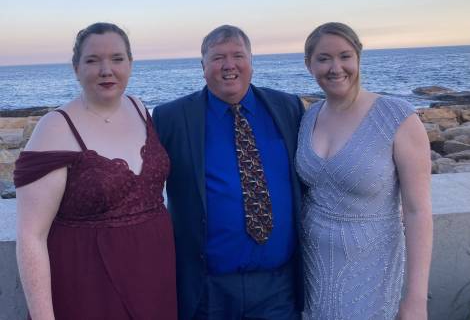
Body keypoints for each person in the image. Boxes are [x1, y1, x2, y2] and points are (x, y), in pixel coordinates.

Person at [14, 23, 177, 320]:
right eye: (92, 60)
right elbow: (31, 236)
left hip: (155, 275)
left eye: (117, 59)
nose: (106, 70)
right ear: (76, 68)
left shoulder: (139, 108)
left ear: (130, 64)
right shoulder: (55, 128)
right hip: (88, 285)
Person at [153, 25, 304, 319]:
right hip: (207, 290)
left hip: (278, 288)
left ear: (251, 61)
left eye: (238, 55)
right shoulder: (171, 118)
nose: (229, 65)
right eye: (218, 57)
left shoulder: (288, 108)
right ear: (203, 66)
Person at [296, 22, 433, 320]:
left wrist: (415, 300)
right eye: (323, 58)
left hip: (371, 270)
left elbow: (417, 212)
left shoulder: (396, 117)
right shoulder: (309, 116)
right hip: (311, 270)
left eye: (345, 56)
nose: (336, 68)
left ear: (358, 57)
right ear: (309, 65)